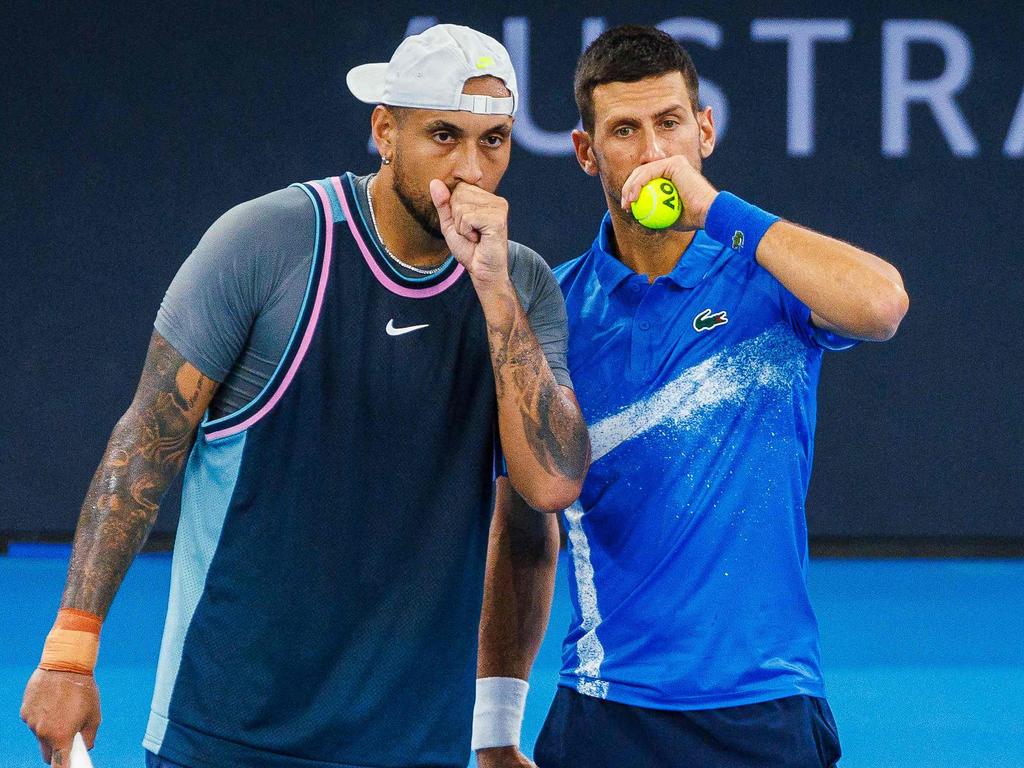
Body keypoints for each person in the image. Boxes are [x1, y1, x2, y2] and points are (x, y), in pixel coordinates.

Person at [20, 23, 590, 768]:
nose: (472, 168)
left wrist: (491, 288)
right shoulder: (268, 242)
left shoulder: (520, 285)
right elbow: (144, 444)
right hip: (227, 734)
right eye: (444, 135)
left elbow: (549, 486)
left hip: (414, 745)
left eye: (494, 140)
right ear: (385, 130)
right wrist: (70, 651)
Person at [471, 25, 908, 768]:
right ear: (586, 153)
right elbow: (521, 529)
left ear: (703, 131)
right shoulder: (553, 311)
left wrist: (718, 212)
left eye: (669, 124)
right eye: (624, 131)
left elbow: (883, 305)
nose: (651, 153)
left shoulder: (769, 276)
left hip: (767, 710)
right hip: (606, 710)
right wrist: (493, 730)